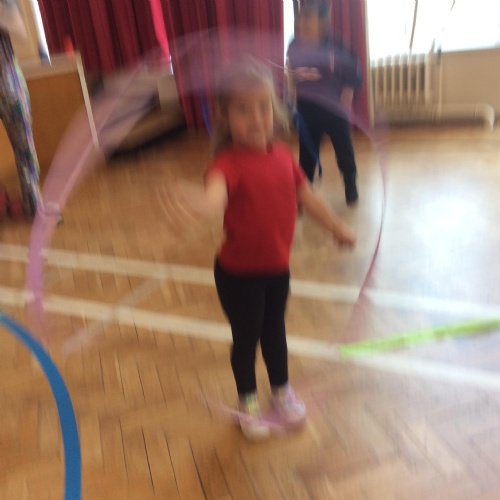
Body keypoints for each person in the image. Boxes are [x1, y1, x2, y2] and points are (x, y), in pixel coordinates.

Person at [187, 56, 356, 440]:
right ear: (225, 116)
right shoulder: (226, 164)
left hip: (277, 269)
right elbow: (214, 198)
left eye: (264, 106)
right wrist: (199, 204)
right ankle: (247, 400)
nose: (256, 117)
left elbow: (308, 198)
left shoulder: (282, 156)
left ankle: (281, 391)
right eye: (243, 109)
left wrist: (337, 227)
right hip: (238, 276)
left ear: (275, 109)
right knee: (247, 339)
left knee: (275, 333)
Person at [286, 0, 362, 205]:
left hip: (333, 107)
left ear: (322, 23)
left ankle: (350, 183)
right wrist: (291, 95)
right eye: (300, 20)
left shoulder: (337, 45)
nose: (302, 24)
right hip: (307, 107)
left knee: (344, 149)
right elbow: (291, 72)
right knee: (307, 153)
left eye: (308, 20)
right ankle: (304, 193)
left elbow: (353, 70)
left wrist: (348, 91)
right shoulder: (294, 44)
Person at [0, 0, 42, 218]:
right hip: (8, 78)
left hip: (7, 77)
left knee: (24, 146)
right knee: (24, 146)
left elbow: (16, 24)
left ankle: (33, 203)